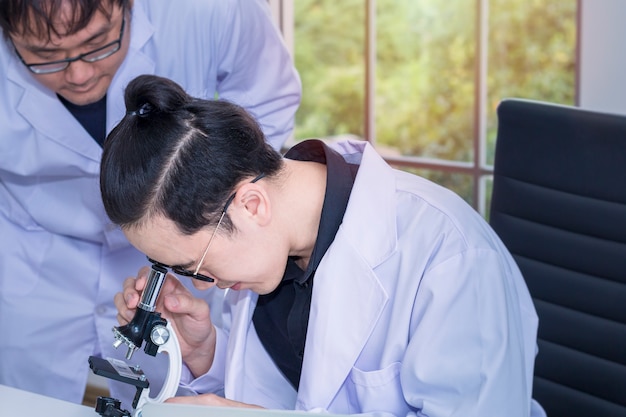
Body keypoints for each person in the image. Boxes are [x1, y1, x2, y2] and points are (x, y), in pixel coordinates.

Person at [103, 74, 546, 417]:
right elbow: (294, 393)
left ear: (250, 205)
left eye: (194, 265)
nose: (207, 284)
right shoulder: (274, 249)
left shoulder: (453, 258)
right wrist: (205, 353)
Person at [0, 0, 301, 410]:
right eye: (44, 57)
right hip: (39, 265)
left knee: (169, 392)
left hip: (182, 246)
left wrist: (198, 206)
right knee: (44, 404)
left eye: (98, 43)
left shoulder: (212, 8)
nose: (80, 73)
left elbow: (269, 96)